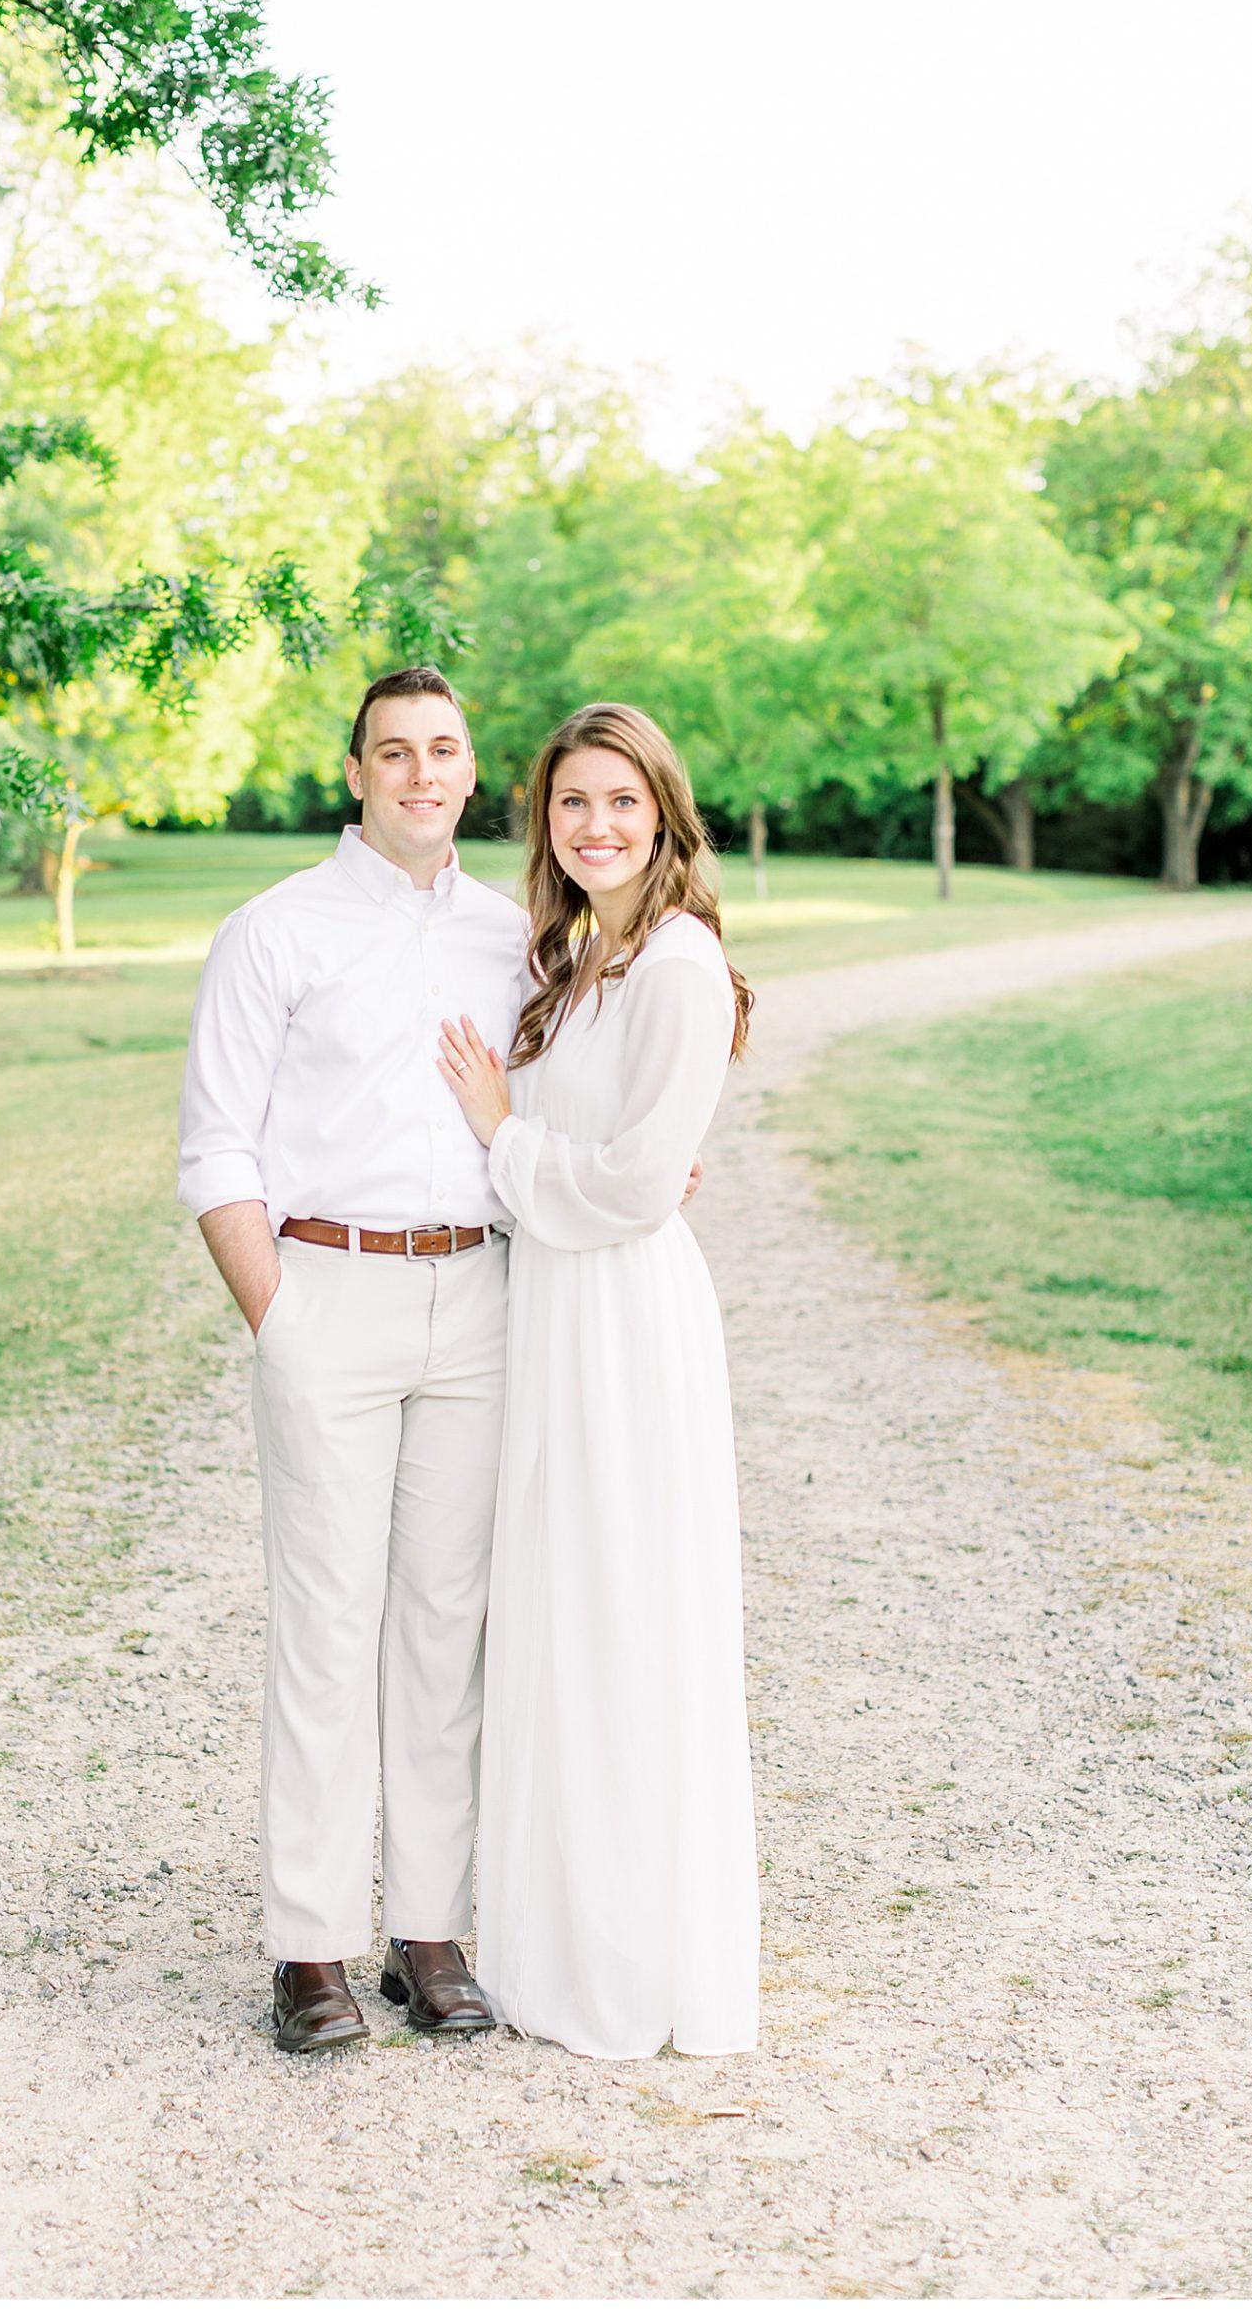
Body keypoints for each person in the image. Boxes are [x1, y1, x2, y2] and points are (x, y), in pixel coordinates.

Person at [176, 666, 530, 2053]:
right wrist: (282, 1316)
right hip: (328, 1290)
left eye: (444, 749)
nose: (421, 774)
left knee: (446, 1627)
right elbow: (217, 1146)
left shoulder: (514, 935)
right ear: (355, 771)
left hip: (479, 1299)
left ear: (471, 769)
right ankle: (309, 1949)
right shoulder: (273, 932)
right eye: (395, 752)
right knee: (325, 1626)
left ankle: (428, 1937)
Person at [437, 701, 762, 2060]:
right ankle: (554, 1933)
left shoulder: (678, 961)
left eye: (622, 801)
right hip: (553, 1304)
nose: (596, 825)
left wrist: (502, 1133)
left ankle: (630, 1959)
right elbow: (614, 1159)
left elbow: (633, 1187)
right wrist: (531, 1156)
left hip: (621, 1317)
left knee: (621, 1612)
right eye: (572, 802)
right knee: (556, 1612)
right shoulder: (573, 956)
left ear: (664, 814)